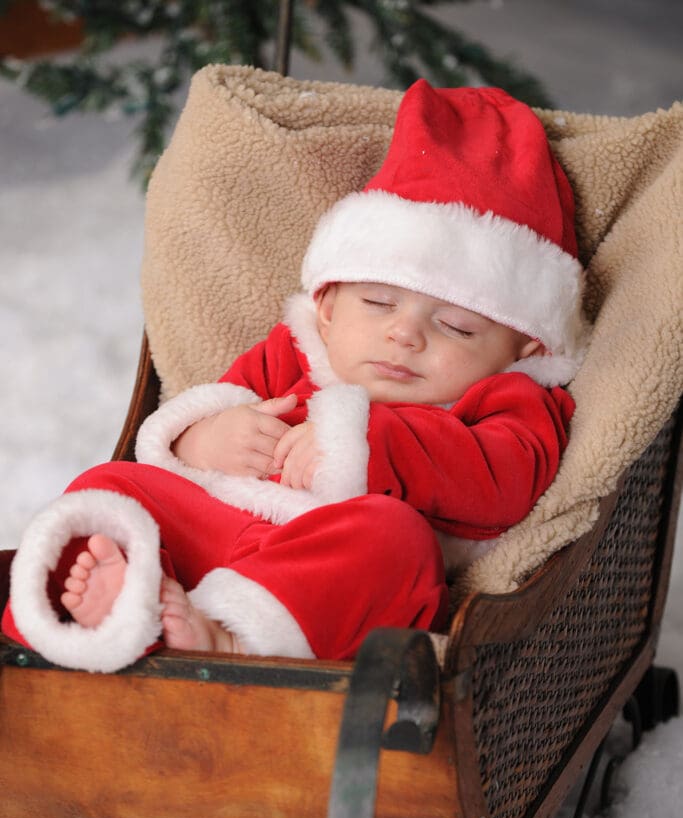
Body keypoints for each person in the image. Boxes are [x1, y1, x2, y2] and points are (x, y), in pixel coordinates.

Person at [2, 80, 586, 673]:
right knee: (114, 484)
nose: (405, 335)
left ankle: (230, 639)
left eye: (457, 327)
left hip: (326, 578)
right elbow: (211, 409)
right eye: (378, 303)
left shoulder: (510, 397)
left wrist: (365, 441)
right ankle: (79, 621)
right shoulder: (298, 350)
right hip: (219, 530)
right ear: (328, 306)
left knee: (394, 541)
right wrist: (205, 437)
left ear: (521, 346)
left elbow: (506, 477)